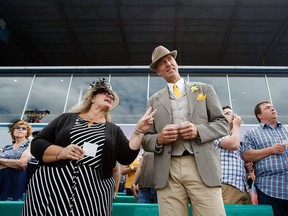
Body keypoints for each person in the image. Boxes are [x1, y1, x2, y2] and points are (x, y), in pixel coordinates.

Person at [22, 78, 156, 216]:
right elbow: (37, 143)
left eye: (112, 96)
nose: (109, 96)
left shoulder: (113, 130)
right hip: (51, 187)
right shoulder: (67, 118)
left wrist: (139, 132)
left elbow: (125, 157)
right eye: (105, 93)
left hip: (93, 192)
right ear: (92, 97)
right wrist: (61, 151)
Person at [142, 45, 229, 216]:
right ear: (158, 72)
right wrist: (159, 139)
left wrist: (199, 131)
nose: (168, 64)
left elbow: (223, 124)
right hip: (167, 171)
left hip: (202, 165)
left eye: (170, 59)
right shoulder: (153, 100)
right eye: (162, 63)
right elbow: (146, 139)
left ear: (176, 62)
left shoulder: (204, 89)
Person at [241, 100, 288, 216]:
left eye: (272, 107)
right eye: (268, 108)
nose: (273, 109)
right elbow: (246, 155)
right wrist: (271, 150)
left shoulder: (286, 130)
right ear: (260, 116)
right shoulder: (252, 133)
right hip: (269, 189)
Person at [214, 106, 251, 204]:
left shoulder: (235, 135)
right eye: (228, 113)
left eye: (232, 112)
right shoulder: (216, 132)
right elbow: (233, 145)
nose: (233, 115)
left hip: (243, 187)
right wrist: (236, 126)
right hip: (226, 185)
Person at [0, 120, 32, 201]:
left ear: (27, 133)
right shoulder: (7, 147)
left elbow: (22, 163)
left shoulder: (29, 145)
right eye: (17, 127)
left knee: (10, 205)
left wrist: (2, 160)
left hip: (15, 178)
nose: (20, 129)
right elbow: (18, 164)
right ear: (13, 131)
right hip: (1, 177)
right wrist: (14, 163)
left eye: (24, 128)